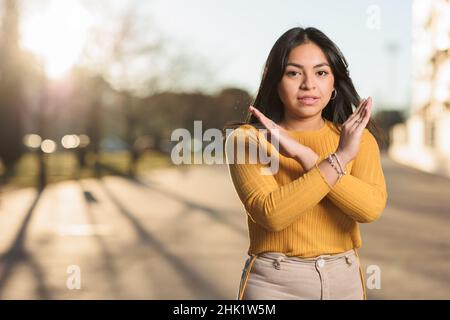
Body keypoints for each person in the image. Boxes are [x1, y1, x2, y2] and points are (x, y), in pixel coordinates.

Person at [224, 27, 388, 300]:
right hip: (274, 284)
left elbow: (369, 209)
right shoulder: (248, 140)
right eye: (293, 72)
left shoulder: (358, 140)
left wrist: (307, 157)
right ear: (275, 80)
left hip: (345, 280)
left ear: (334, 82)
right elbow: (272, 215)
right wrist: (339, 159)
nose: (309, 84)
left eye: (321, 72)